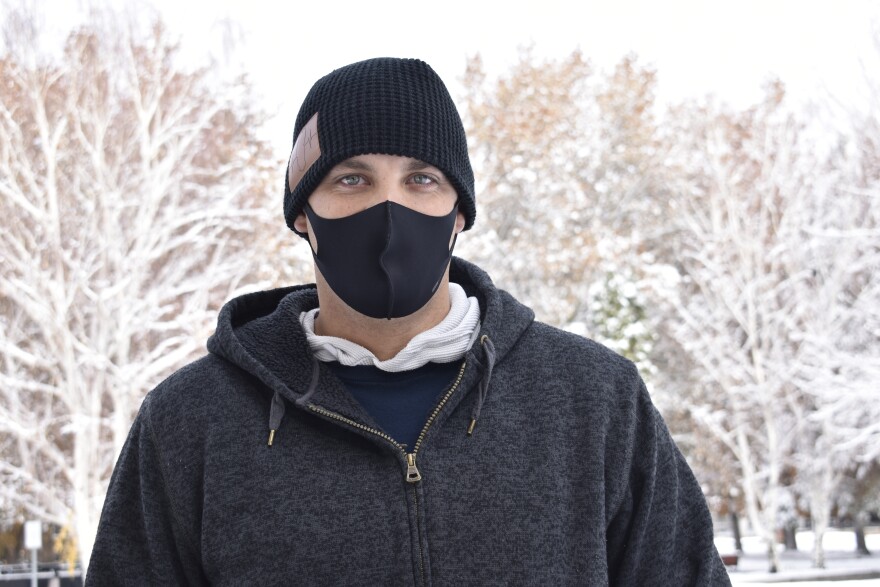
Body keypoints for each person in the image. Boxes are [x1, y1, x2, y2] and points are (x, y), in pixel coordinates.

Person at [87, 57, 730, 586]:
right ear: (302, 214)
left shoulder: (595, 401)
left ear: (459, 214)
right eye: (351, 179)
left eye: (420, 179)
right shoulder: (190, 422)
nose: (388, 207)